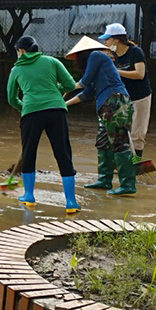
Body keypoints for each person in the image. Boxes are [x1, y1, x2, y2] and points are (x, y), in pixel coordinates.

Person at [6, 36, 80, 213]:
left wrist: (24, 107)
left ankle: (29, 196)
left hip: (31, 112)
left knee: (29, 152)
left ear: (22, 51)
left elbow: (11, 98)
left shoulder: (16, 69)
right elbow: (70, 84)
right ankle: (71, 202)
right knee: (63, 153)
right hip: (57, 110)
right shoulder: (52, 61)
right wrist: (54, 90)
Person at [65, 36, 136, 195]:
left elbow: (83, 82)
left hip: (115, 102)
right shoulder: (97, 66)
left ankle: (128, 184)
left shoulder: (96, 56)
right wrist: (65, 104)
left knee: (119, 143)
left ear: (82, 53)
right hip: (106, 106)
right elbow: (86, 92)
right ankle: (104, 180)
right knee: (103, 143)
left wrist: (67, 86)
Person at [99, 23, 152, 159]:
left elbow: (140, 74)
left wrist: (117, 72)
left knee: (137, 133)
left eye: (108, 39)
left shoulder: (135, 52)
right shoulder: (112, 56)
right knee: (120, 132)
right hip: (122, 98)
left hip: (140, 97)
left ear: (116, 40)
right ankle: (122, 163)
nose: (105, 42)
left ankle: (137, 162)